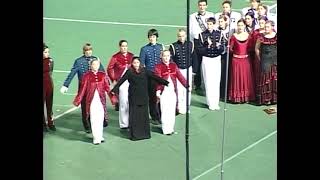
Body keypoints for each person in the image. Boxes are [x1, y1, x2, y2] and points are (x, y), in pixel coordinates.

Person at [111, 57, 169, 141]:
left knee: (143, 115)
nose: (136, 64)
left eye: (137, 62)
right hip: (134, 97)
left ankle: (144, 134)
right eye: (134, 63)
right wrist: (114, 90)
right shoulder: (129, 72)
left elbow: (154, 76)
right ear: (132, 64)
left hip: (144, 97)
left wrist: (165, 82)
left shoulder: (145, 71)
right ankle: (135, 135)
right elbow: (121, 81)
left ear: (140, 63)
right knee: (134, 115)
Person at [60, 43, 106, 133]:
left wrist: (105, 84)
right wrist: (66, 85)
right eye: (87, 50)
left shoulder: (95, 59)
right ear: (84, 51)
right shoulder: (78, 61)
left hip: (95, 88)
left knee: (95, 106)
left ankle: (95, 123)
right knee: (85, 106)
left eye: (90, 50)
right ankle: (86, 125)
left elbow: (102, 72)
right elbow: (72, 73)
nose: (89, 52)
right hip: (84, 88)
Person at [73, 58, 110, 145]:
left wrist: (113, 97)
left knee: (101, 118)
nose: (96, 66)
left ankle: (100, 135)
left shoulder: (103, 75)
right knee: (94, 118)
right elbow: (83, 89)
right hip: (91, 101)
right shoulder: (86, 76)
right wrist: (78, 100)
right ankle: (96, 137)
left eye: (97, 64)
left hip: (101, 100)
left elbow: (107, 88)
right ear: (91, 65)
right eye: (94, 64)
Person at [154, 50, 188, 135]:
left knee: (172, 110)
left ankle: (171, 128)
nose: (166, 58)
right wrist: (158, 90)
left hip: (173, 91)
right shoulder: (158, 67)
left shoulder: (174, 65)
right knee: (165, 110)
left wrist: (187, 85)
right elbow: (157, 79)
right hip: (164, 91)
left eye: (168, 56)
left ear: (170, 56)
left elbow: (180, 76)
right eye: (164, 56)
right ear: (161, 57)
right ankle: (166, 129)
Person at [197, 17, 225, 110]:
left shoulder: (219, 34)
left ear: (214, 24)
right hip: (207, 59)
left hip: (216, 59)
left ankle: (216, 103)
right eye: (208, 24)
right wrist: (208, 46)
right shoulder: (201, 35)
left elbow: (223, 50)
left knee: (216, 81)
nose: (209, 26)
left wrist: (218, 47)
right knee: (208, 81)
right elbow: (200, 51)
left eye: (211, 24)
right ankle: (210, 103)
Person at [139, 29, 165, 124]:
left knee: (162, 95)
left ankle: (162, 114)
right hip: (150, 77)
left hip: (161, 76)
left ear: (156, 38)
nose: (151, 38)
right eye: (150, 37)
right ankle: (154, 116)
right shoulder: (144, 49)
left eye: (153, 36)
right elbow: (142, 65)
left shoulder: (161, 47)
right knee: (152, 97)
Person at [107, 40, 134, 129]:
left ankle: (131, 122)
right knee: (123, 103)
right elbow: (110, 68)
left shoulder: (131, 56)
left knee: (131, 102)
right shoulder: (115, 57)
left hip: (131, 82)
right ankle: (124, 124)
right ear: (120, 47)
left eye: (126, 46)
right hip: (121, 82)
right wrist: (113, 79)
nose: (124, 48)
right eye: (122, 46)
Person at [189, 0, 214, 93]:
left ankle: (208, 82)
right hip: (197, 41)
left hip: (207, 41)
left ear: (206, 6)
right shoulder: (192, 16)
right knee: (197, 62)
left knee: (208, 61)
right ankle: (197, 83)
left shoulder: (211, 15)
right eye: (200, 5)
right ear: (198, 6)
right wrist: (191, 44)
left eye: (204, 5)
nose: (202, 7)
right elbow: (190, 31)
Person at [228, 19, 255, 103]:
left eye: (242, 25)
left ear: (244, 26)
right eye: (238, 25)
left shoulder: (249, 36)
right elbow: (231, 49)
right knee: (236, 78)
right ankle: (237, 97)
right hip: (236, 61)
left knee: (246, 78)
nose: (240, 27)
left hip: (246, 61)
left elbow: (250, 48)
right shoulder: (233, 36)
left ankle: (246, 97)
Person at [169, 28, 194, 114]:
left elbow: (193, 57)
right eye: (179, 36)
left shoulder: (190, 44)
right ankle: (179, 106)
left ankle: (187, 106)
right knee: (179, 89)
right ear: (177, 36)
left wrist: (194, 70)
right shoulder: (173, 46)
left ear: (186, 36)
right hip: (178, 70)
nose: (181, 37)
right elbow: (171, 60)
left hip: (188, 69)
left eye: (183, 36)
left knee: (188, 88)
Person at [255, 20, 277, 105]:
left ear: (272, 27)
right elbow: (257, 48)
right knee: (265, 79)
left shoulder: (276, 36)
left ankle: (274, 99)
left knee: (274, 78)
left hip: (275, 60)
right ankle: (266, 99)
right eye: (265, 27)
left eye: (268, 27)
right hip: (265, 60)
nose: (266, 28)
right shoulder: (261, 37)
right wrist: (260, 58)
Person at [43, 43, 56, 132]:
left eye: (48, 52)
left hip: (49, 85)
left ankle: (50, 122)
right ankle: (44, 124)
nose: (48, 54)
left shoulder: (50, 61)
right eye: (45, 52)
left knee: (49, 105)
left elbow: (50, 72)